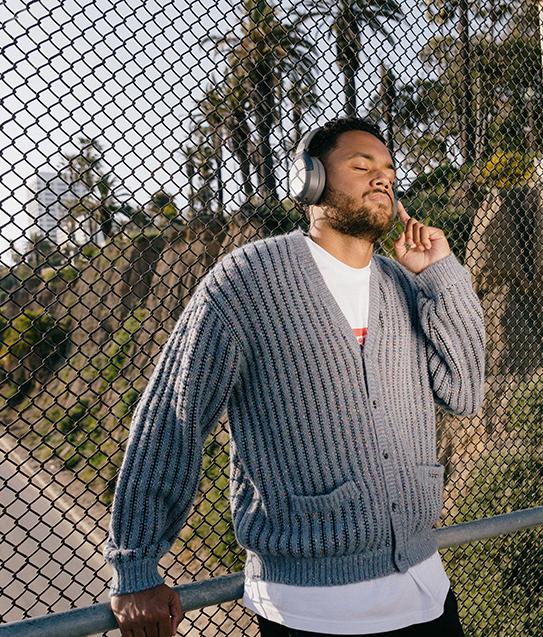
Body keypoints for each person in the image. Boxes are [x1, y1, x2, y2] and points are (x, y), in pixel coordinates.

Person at [104, 117, 485, 636]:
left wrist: (442, 274)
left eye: (389, 171)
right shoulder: (247, 280)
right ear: (310, 180)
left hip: (426, 596)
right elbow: (174, 414)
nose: (383, 178)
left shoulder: (405, 282)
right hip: (309, 610)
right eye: (362, 166)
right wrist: (135, 565)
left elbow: (464, 390)